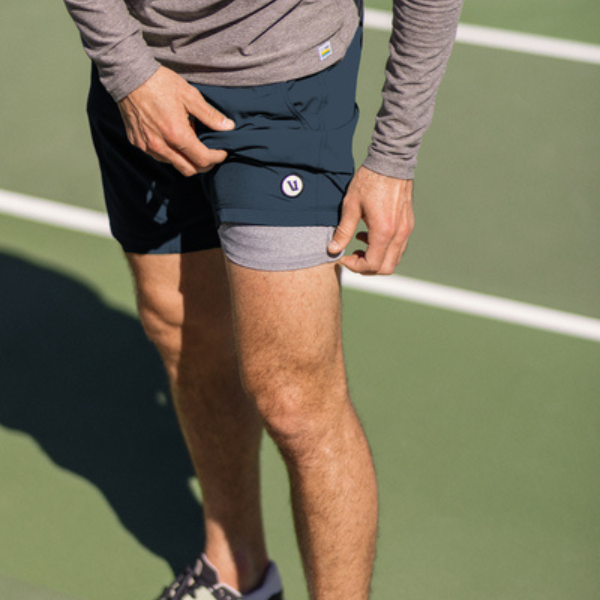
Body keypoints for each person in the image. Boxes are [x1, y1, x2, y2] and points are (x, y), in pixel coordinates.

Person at [62, 1, 463, 599]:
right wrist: (127, 70)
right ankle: (237, 573)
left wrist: (394, 156)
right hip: (141, 79)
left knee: (296, 401)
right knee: (182, 332)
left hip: (285, 92)